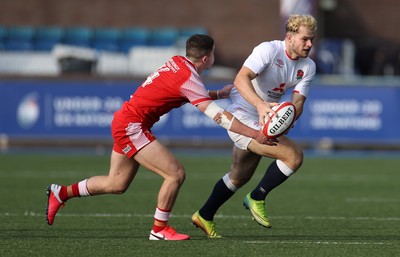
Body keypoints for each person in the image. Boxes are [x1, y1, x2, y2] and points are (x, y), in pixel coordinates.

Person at [45, 34, 271, 241]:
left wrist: (216, 93)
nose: (213, 57)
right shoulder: (189, 78)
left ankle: (61, 193)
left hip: (126, 121)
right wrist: (255, 134)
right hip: (131, 126)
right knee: (175, 174)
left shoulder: (177, 62)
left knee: (117, 183)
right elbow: (219, 116)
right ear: (206, 58)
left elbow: (178, 90)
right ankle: (159, 229)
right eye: (213, 53)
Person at [192, 14, 317, 238]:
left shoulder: (308, 66)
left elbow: (298, 101)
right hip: (242, 115)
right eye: (305, 39)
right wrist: (260, 106)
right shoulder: (269, 50)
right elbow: (241, 79)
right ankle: (257, 197)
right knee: (293, 157)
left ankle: (204, 215)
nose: (309, 44)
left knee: (239, 176)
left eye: (312, 40)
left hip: (265, 117)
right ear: (289, 37)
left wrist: (289, 119)